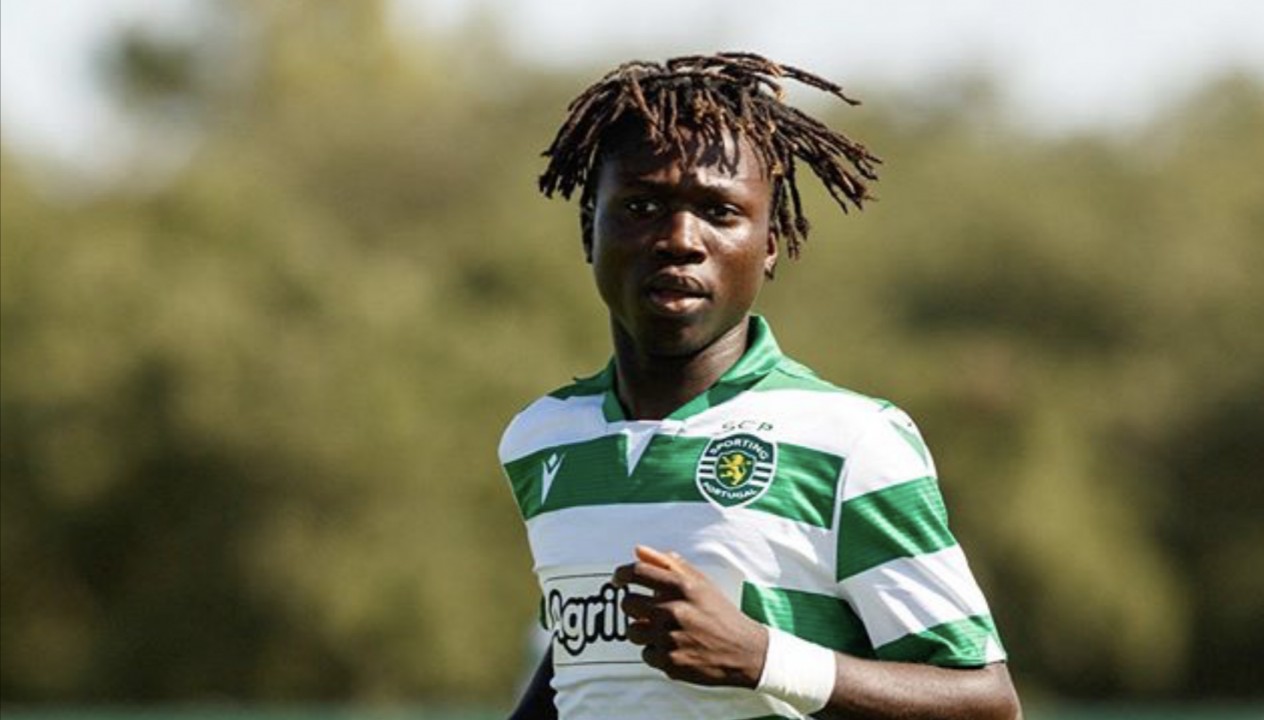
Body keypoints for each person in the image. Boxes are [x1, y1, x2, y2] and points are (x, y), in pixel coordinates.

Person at [499, 53, 1021, 720]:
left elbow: (986, 704)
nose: (679, 240)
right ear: (588, 229)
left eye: (719, 211)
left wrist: (763, 659)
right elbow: (583, 672)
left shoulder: (850, 441)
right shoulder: (543, 439)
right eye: (642, 206)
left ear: (769, 243)